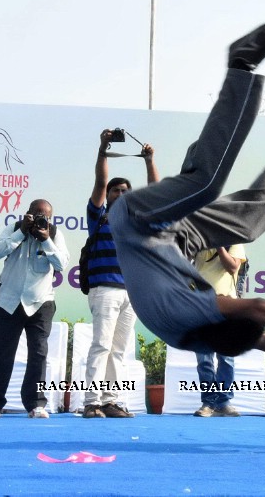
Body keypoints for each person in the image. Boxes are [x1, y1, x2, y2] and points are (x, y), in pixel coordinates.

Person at [107, 22, 265, 392]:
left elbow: (259, 308)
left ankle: (240, 66)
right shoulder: (201, 335)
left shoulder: (192, 314)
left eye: (223, 301)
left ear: (219, 316)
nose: (222, 296)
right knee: (249, 225)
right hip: (178, 240)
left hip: (138, 222)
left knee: (204, 183)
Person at [81, 131, 158, 419]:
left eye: (127, 190)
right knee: (101, 345)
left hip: (131, 293)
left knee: (119, 350)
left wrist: (150, 161)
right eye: (117, 190)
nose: (122, 193)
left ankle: (111, 401)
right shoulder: (99, 216)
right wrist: (103, 148)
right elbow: (101, 181)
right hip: (104, 290)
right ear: (109, 196)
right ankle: (91, 402)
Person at [0, 199, 69, 419]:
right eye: (36, 214)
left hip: (41, 303)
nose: (41, 218)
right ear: (27, 214)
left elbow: (61, 264)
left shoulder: (55, 234)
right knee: (2, 354)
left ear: (50, 218)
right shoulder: (13, 229)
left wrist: (46, 240)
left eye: (45, 216)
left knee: (38, 354)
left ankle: (36, 404)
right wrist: (21, 232)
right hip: (9, 302)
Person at [192, 245, 247, 417]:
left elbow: (232, 267)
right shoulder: (200, 238)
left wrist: (220, 246)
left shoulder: (234, 241)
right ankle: (208, 403)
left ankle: (224, 402)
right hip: (200, 303)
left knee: (226, 358)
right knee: (204, 359)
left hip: (227, 305)